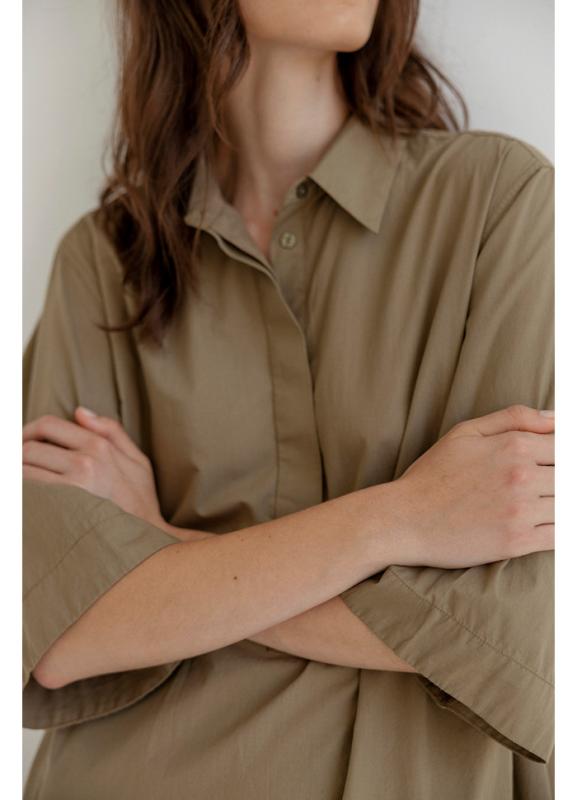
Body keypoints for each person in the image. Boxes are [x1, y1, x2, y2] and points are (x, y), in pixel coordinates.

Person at [22, 1, 554, 798]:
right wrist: (406, 515)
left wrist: (158, 548)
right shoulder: (103, 262)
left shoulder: (496, 203)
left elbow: (506, 636)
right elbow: (58, 631)